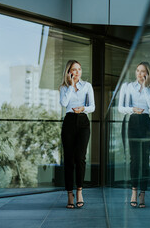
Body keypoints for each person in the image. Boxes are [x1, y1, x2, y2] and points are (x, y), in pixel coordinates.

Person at [118, 61, 150, 208]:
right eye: (138, 71)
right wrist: (133, 109)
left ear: (147, 74)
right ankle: (133, 191)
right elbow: (121, 108)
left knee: (145, 159)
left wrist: (144, 87)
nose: (140, 74)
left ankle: (143, 193)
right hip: (132, 122)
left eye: (143, 71)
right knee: (134, 159)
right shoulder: (127, 87)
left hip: (146, 123)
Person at [59, 60, 95, 209]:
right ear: (69, 72)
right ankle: (69, 194)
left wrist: (83, 108)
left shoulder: (87, 86)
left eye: (79, 69)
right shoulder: (63, 87)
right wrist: (71, 85)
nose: (78, 72)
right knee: (68, 159)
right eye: (74, 69)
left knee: (80, 158)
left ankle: (79, 191)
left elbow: (92, 106)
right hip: (69, 122)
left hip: (83, 122)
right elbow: (64, 103)